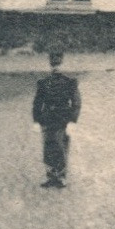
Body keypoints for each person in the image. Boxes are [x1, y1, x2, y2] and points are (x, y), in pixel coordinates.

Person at [32, 51, 81, 189]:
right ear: (50, 65)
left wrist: (73, 120)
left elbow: (76, 103)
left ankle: (61, 177)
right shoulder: (43, 83)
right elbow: (37, 103)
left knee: (61, 146)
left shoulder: (70, 83)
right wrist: (36, 120)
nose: (55, 67)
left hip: (63, 119)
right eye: (53, 64)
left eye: (58, 64)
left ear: (62, 64)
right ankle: (51, 176)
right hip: (47, 119)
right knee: (48, 146)